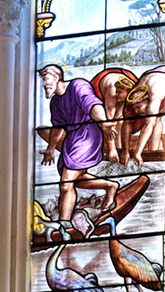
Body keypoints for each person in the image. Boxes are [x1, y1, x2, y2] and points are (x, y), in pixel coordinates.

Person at [39, 64, 118, 226]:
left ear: (57, 77)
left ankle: (64, 223)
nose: (44, 84)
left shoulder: (77, 85)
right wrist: (50, 149)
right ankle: (110, 185)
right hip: (72, 139)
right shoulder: (55, 102)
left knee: (66, 182)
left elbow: (93, 105)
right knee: (73, 180)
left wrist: (103, 123)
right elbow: (57, 127)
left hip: (88, 134)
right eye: (43, 80)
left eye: (46, 78)